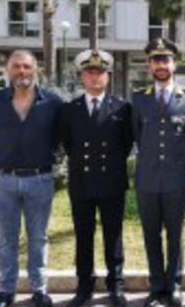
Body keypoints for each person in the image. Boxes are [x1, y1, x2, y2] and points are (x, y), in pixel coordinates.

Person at [0, 50, 63, 307]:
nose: (22, 72)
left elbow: (61, 137)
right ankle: (6, 291)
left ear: (35, 70)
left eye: (27, 67)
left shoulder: (53, 102)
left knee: (38, 237)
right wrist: (6, 157)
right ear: (7, 70)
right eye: (17, 67)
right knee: (6, 239)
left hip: (40, 179)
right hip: (3, 181)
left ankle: (39, 289)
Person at [58, 50, 133, 307]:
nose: (94, 77)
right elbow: (69, 144)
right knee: (83, 235)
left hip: (112, 181)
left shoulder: (122, 108)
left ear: (108, 77)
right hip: (82, 182)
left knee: (114, 236)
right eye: (90, 72)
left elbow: (126, 145)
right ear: (82, 76)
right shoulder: (69, 110)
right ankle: (84, 286)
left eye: (99, 72)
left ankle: (116, 285)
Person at [132, 38, 185, 307]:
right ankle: (156, 285)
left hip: (175, 177)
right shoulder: (139, 98)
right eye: (156, 60)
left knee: (174, 233)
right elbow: (137, 135)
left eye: (166, 59)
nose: (161, 65)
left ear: (174, 63)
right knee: (150, 234)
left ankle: (174, 285)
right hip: (147, 177)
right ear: (149, 65)